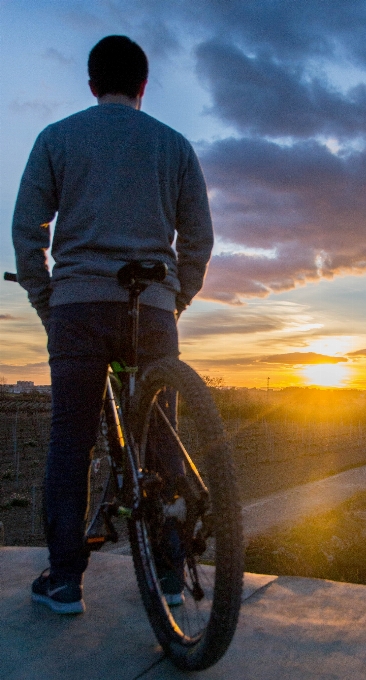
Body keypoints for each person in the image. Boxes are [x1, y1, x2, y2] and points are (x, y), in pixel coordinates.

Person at [12, 35, 214, 614]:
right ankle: (172, 575)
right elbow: (198, 237)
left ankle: (65, 582)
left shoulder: (57, 138)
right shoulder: (174, 146)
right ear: (144, 87)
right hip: (150, 309)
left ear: (93, 83)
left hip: (78, 306)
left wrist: (45, 300)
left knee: (70, 442)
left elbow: (28, 229)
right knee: (161, 442)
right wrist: (175, 300)